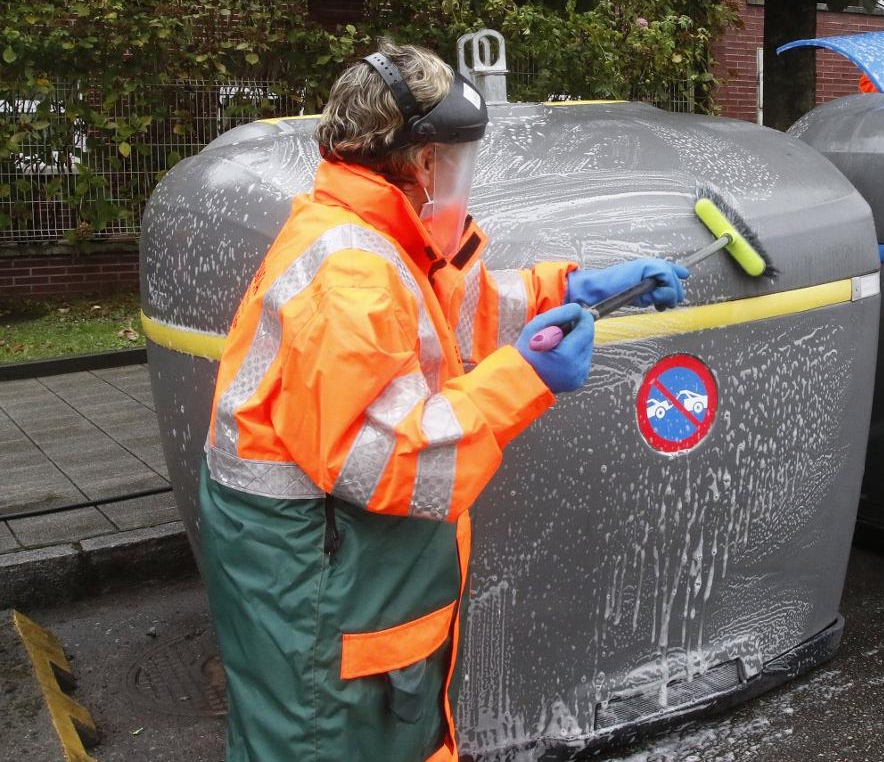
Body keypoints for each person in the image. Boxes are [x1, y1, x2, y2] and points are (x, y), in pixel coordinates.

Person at [197, 40, 688, 761]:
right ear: (423, 161)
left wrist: (574, 287)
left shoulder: (377, 236)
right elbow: (394, 463)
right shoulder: (351, 275)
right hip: (322, 583)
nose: (463, 180)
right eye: (457, 162)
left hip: (339, 570)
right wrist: (528, 379)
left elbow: (453, 312)